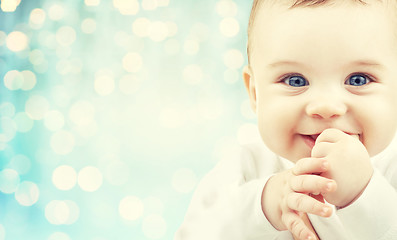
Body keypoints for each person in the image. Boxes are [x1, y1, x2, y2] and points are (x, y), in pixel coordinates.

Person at [175, 0, 397, 239]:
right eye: (295, 81)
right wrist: (264, 206)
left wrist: (365, 194)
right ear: (255, 94)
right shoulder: (244, 170)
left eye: (358, 80)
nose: (325, 107)